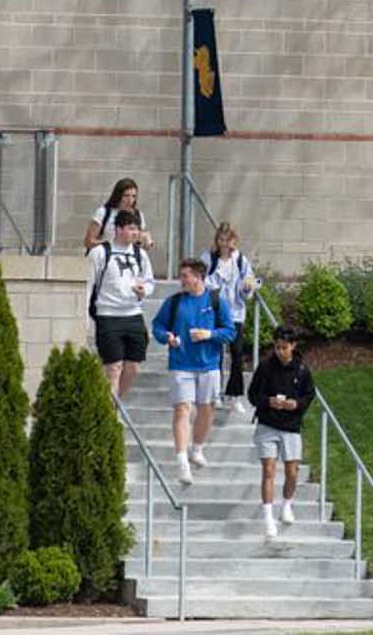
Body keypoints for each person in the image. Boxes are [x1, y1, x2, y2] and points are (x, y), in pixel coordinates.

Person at [149, 256, 236, 486]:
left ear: (199, 278)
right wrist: (166, 337)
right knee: (182, 410)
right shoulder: (174, 302)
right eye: (181, 276)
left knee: (206, 409)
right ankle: (182, 462)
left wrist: (209, 335)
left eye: (185, 276)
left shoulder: (217, 301)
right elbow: (158, 326)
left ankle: (197, 448)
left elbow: (230, 331)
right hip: (181, 364)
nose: (181, 280)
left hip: (208, 365)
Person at [245, 325, 316, 540]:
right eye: (276, 347)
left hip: (291, 427)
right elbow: (252, 394)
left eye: (284, 347)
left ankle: (286, 504)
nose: (279, 351)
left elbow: (309, 394)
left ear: (293, 346)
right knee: (268, 469)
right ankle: (268, 518)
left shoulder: (302, 369)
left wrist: (296, 405)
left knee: (292, 471)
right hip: (267, 424)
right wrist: (268, 401)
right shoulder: (266, 367)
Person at [86, 208, 157, 400]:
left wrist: (144, 291)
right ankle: (111, 412)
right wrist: (86, 318)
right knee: (113, 367)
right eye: (131, 229)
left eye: (137, 229)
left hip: (133, 314)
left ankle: (117, 403)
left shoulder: (140, 254)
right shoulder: (100, 253)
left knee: (133, 366)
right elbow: (88, 285)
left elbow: (149, 281)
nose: (135, 233)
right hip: (108, 315)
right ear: (118, 229)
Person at [205, 222, 262, 415]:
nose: (224, 244)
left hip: (236, 314)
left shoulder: (240, 260)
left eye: (227, 240)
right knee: (216, 356)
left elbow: (250, 282)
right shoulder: (209, 259)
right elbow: (203, 282)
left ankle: (235, 395)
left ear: (233, 241)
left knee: (237, 355)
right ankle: (216, 394)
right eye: (221, 239)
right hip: (215, 313)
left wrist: (247, 288)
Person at [84, 178, 145, 255]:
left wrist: (143, 241)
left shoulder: (138, 214)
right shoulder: (104, 212)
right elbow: (89, 242)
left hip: (128, 259)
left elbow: (138, 243)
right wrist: (113, 243)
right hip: (105, 257)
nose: (130, 200)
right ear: (118, 195)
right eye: (126, 196)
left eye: (134, 196)